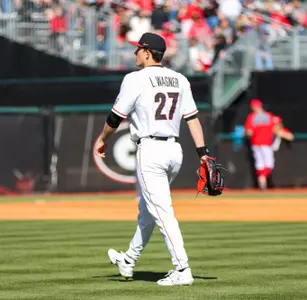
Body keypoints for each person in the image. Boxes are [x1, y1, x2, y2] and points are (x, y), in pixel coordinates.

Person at [93, 32, 210, 286]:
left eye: (138, 49)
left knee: (162, 211)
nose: (135, 53)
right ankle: (129, 259)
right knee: (147, 211)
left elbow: (115, 117)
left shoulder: (135, 79)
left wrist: (103, 139)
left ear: (147, 53)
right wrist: (203, 153)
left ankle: (182, 269)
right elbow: (193, 119)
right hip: (174, 152)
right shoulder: (180, 79)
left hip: (151, 151)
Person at [244, 99, 279, 190]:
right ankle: (263, 179)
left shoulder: (251, 117)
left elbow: (249, 132)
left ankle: (262, 182)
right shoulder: (269, 116)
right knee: (269, 164)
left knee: (260, 163)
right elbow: (276, 128)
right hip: (266, 143)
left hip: (256, 143)